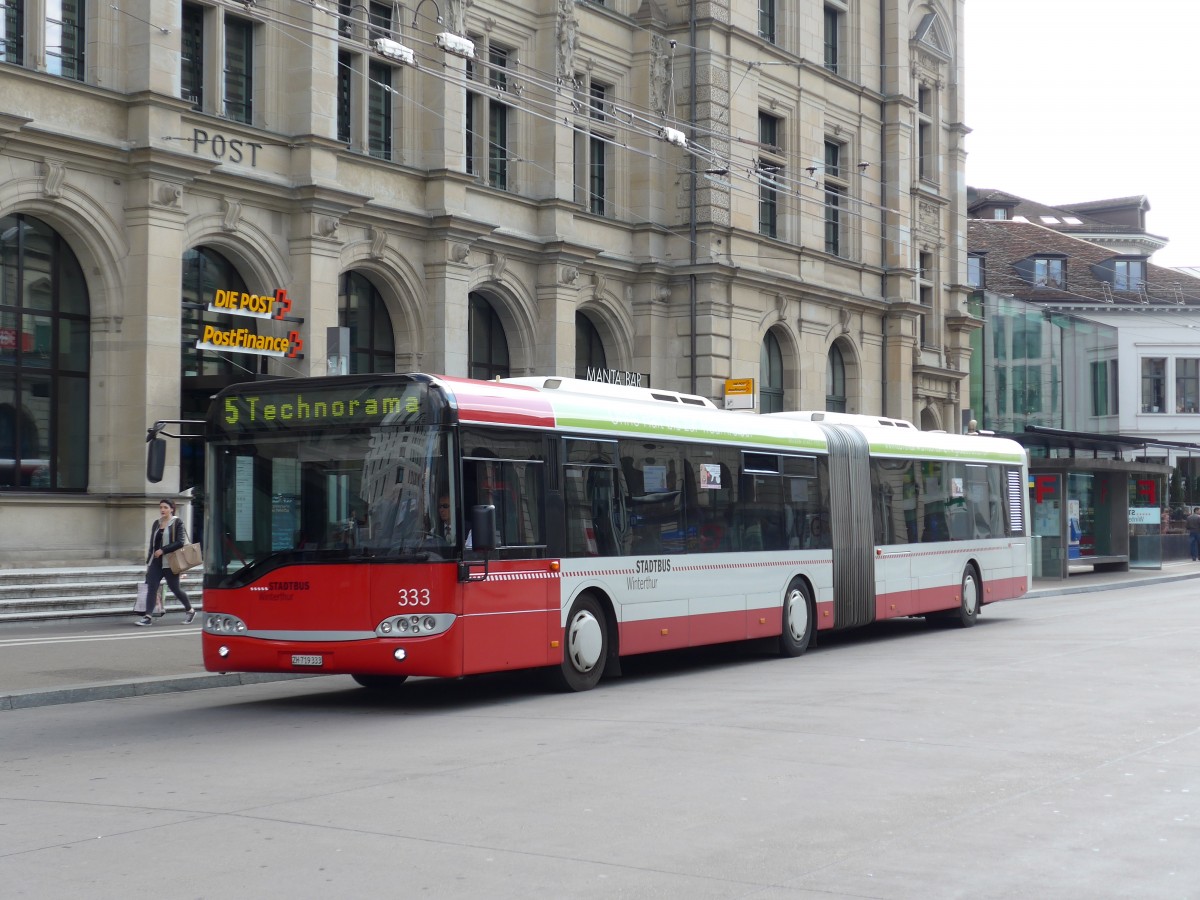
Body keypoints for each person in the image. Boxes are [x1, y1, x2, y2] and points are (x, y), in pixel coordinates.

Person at [136, 499, 196, 626]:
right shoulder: (156, 523)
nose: (162, 510)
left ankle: (190, 610)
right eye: (161, 507)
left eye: (165, 507)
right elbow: (153, 545)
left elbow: (180, 541)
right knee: (151, 588)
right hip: (156, 562)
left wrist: (163, 550)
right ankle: (148, 617)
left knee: (175, 589)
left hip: (171, 562)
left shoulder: (177, 522)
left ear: (172, 509)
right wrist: (149, 562)